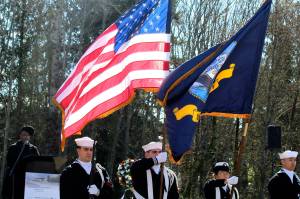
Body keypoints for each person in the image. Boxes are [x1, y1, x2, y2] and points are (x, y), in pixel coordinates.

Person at [2, 125, 40, 199]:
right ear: (20, 135)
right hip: (14, 177)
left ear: (29, 137)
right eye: (22, 134)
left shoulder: (33, 149)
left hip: (28, 179)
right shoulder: (13, 147)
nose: (24, 137)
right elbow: (9, 162)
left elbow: (37, 162)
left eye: (26, 135)